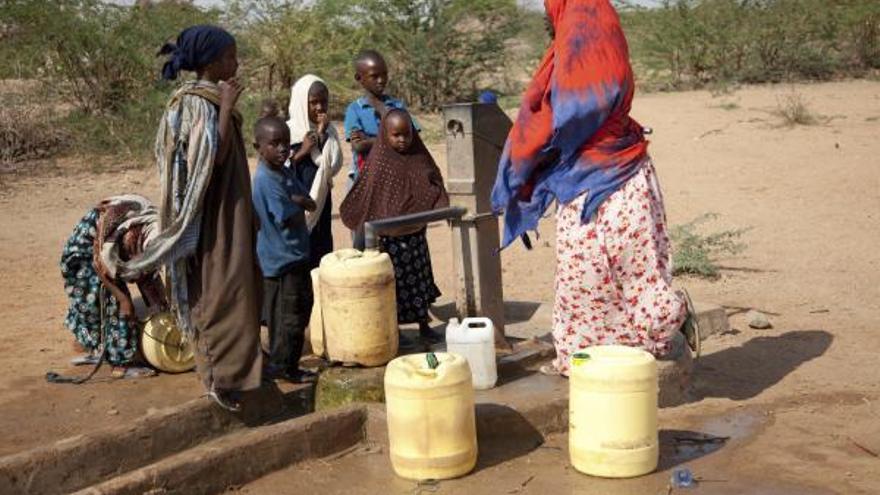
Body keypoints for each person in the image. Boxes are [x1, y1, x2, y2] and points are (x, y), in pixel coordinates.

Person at [490, 0, 700, 377]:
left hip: (611, 182)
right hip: (599, 181)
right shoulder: (580, 53)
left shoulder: (582, 58)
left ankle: (666, 324)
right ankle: (594, 367)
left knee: (621, 283)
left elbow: (557, 120)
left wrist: (520, 167)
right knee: (589, 281)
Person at [118, 25, 263, 411]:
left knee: (239, 290)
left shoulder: (211, 97)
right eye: (231, 57)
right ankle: (217, 378)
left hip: (231, 213)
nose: (236, 63)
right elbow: (207, 164)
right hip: (212, 220)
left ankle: (238, 375)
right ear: (212, 63)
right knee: (217, 293)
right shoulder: (196, 103)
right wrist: (228, 106)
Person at [340, 109, 448, 343]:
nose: (402, 140)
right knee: (393, 288)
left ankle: (424, 325)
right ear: (384, 135)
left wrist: (438, 203)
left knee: (420, 283)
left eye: (406, 135)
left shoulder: (418, 154)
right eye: (396, 135)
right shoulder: (380, 162)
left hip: (415, 234)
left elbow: (433, 178)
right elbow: (368, 195)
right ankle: (395, 330)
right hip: (389, 239)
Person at [60, 195, 165, 378]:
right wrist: (124, 300)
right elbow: (100, 264)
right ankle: (122, 366)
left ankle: (103, 351)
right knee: (114, 306)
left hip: (100, 250)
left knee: (108, 302)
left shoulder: (150, 224)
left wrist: (160, 307)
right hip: (85, 258)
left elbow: (147, 273)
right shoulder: (123, 235)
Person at [252, 116, 318, 383]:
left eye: (286, 144)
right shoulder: (266, 180)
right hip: (281, 260)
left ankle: (285, 363)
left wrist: (300, 200)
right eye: (274, 144)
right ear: (258, 147)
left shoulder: (283, 172)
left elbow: (308, 202)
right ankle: (284, 367)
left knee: (300, 309)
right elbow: (290, 213)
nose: (282, 149)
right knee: (287, 318)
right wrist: (300, 201)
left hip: (295, 254)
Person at [286, 74, 343, 269]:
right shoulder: (287, 132)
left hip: (322, 201)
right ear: (302, 103)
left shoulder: (329, 132)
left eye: (323, 102)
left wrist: (321, 135)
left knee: (321, 250)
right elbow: (280, 168)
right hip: (297, 202)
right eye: (313, 102)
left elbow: (333, 165)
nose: (319, 107)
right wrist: (303, 151)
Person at [343, 50, 419, 190]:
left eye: (384, 75)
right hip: (368, 179)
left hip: (398, 175)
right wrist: (394, 138)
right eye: (374, 76)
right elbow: (358, 146)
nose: (381, 80)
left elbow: (413, 138)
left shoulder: (397, 106)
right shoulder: (354, 110)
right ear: (359, 78)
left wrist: (370, 140)